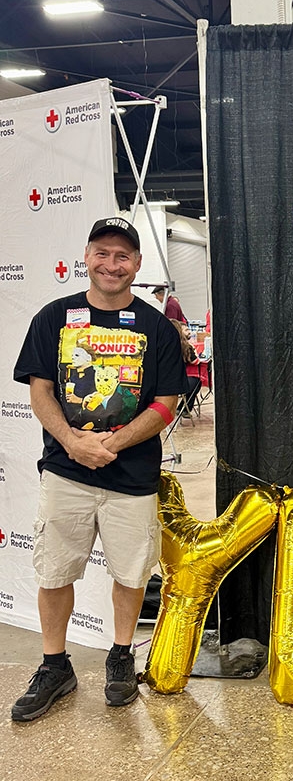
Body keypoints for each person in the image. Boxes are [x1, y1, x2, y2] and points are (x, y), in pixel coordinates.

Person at [11, 217, 187, 721]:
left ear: (137, 264)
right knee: (54, 570)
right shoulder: (54, 318)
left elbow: (166, 402)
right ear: (87, 256)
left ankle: (121, 655)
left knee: (131, 573)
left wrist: (111, 443)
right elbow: (40, 390)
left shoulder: (156, 327)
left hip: (131, 477)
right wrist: (72, 442)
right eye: (103, 253)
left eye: (123, 256)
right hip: (66, 472)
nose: (113, 265)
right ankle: (54, 665)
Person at [170, 318, 202, 415]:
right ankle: (185, 408)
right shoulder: (185, 346)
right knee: (197, 382)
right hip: (178, 381)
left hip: (166, 380)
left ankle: (183, 408)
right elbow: (195, 361)